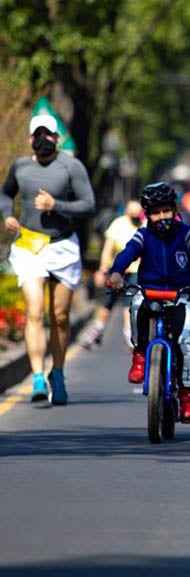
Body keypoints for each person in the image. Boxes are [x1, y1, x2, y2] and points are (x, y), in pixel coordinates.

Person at [1, 114, 96, 404]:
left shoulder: (71, 166)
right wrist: (7, 216)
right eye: (37, 134)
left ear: (57, 138)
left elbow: (89, 204)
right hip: (29, 245)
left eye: (48, 134)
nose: (43, 139)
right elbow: (5, 194)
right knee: (34, 310)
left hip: (63, 246)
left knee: (60, 316)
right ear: (31, 138)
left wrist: (57, 205)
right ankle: (38, 376)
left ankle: (58, 372)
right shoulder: (20, 167)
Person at [107, 182, 190, 424]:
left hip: (181, 296)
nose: (161, 217)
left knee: (184, 343)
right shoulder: (143, 235)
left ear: (174, 209)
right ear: (147, 214)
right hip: (150, 294)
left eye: (166, 211)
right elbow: (127, 253)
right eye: (155, 212)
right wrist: (116, 273)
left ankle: (187, 397)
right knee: (135, 303)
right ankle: (139, 355)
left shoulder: (187, 234)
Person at [79, 200, 144, 348]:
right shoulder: (118, 224)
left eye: (137, 214)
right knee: (107, 301)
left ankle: (129, 334)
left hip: (135, 269)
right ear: (126, 212)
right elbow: (108, 248)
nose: (135, 217)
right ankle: (97, 331)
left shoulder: (144, 225)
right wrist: (102, 269)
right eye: (132, 213)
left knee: (130, 302)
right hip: (116, 270)